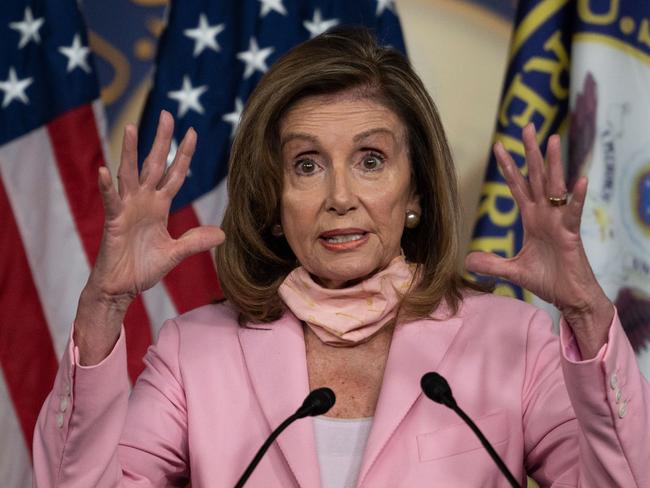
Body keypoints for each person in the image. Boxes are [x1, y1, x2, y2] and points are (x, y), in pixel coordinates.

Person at [33, 27, 648, 487]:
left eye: (371, 160)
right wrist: (104, 304)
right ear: (274, 202)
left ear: (416, 193)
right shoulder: (194, 354)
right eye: (307, 165)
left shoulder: (513, 342)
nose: (340, 197)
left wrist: (589, 314)